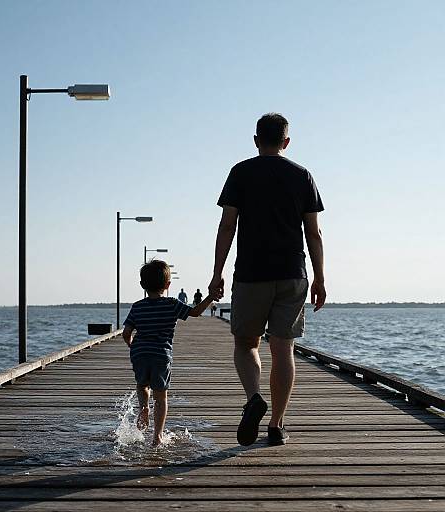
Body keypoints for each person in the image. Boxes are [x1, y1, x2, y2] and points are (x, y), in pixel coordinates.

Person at [208, 113, 326, 447]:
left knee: (246, 344)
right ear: (286, 142)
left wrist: (217, 273)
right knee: (283, 348)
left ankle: (253, 398)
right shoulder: (302, 175)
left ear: (256, 139)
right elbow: (313, 233)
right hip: (292, 272)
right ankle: (276, 425)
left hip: (251, 273)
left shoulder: (240, 172)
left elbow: (226, 226)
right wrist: (319, 277)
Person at [122, 260, 218, 447]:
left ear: (142, 285)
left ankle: (143, 409)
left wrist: (132, 346)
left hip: (139, 353)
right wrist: (210, 297)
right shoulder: (172, 304)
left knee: (142, 385)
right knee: (161, 396)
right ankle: (157, 436)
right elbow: (196, 312)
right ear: (167, 285)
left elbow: (126, 333)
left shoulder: (137, 306)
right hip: (161, 355)